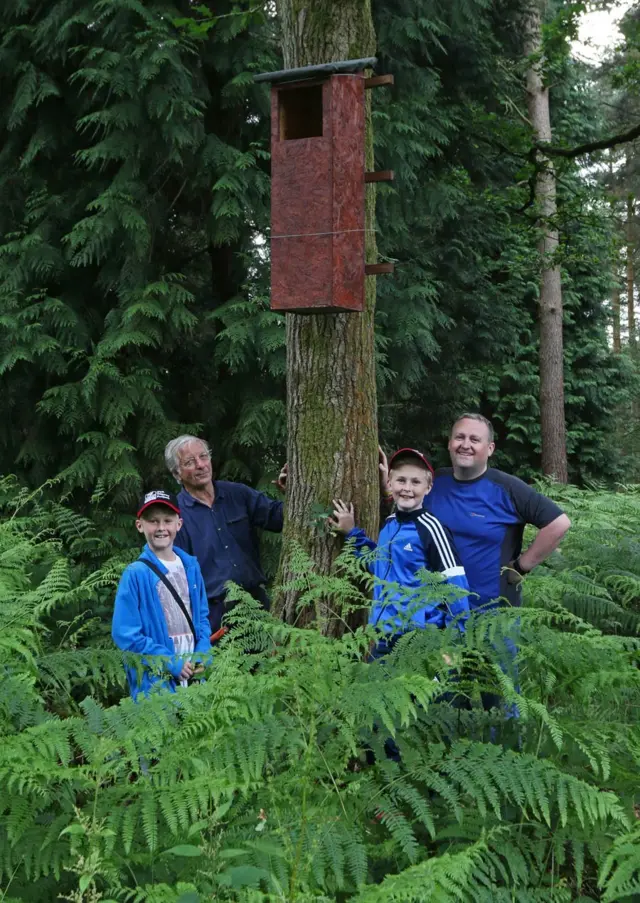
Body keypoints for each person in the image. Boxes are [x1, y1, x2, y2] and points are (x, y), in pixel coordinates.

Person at [422, 413, 571, 611]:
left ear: (490, 448)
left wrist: (521, 567)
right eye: (460, 437)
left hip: (493, 617)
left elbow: (558, 524)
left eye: (475, 439)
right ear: (450, 443)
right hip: (436, 612)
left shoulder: (507, 488)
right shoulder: (434, 481)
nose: (465, 445)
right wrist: (387, 490)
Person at [330, 448, 470, 647]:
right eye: (401, 480)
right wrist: (352, 533)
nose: (407, 488)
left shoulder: (432, 530)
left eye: (416, 482)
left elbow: (455, 588)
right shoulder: (390, 524)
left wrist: (453, 646)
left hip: (417, 641)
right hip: (381, 636)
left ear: (428, 487)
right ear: (389, 483)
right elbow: (378, 565)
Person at [164, 435, 286, 633]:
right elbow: (178, 581)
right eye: (189, 462)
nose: (200, 465)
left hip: (258, 606)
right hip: (215, 617)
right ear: (177, 473)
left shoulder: (237, 494)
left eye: (203, 457)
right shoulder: (176, 516)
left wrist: (293, 491)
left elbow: (278, 518)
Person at [112, 490, 212, 700]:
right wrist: (170, 663)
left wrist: (203, 655)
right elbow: (126, 635)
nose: (161, 528)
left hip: (194, 672)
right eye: (153, 521)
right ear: (140, 525)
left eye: (167, 520)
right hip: (156, 679)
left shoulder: (191, 567)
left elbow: (202, 617)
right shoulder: (136, 574)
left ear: (179, 524)